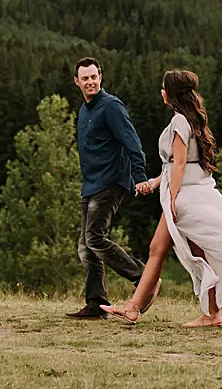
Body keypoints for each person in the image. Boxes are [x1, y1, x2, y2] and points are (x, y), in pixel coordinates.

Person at [103, 69, 222, 327]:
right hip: (191, 194)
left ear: (171, 94)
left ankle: (137, 307)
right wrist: (154, 183)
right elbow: (179, 166)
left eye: (163, 88)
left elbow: (180, 163)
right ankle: (206, 313)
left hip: (184, 199)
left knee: (161, 250)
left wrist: (170, 198)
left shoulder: (180, 121)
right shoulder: (192, 120)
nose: (160, 92)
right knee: (177, 250)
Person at [65, 57, 160, 319]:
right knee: (86, 246)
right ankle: (96, 304)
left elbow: (132, 142)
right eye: (85, 78)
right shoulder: (84, 111)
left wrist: (140, 176)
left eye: (94, 76)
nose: (90, 81)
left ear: (101, 77)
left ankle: (144, 279)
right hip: (91, 185)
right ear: (77, 82)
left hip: (111, 182)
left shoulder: (111, 107)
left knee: (95, 237)